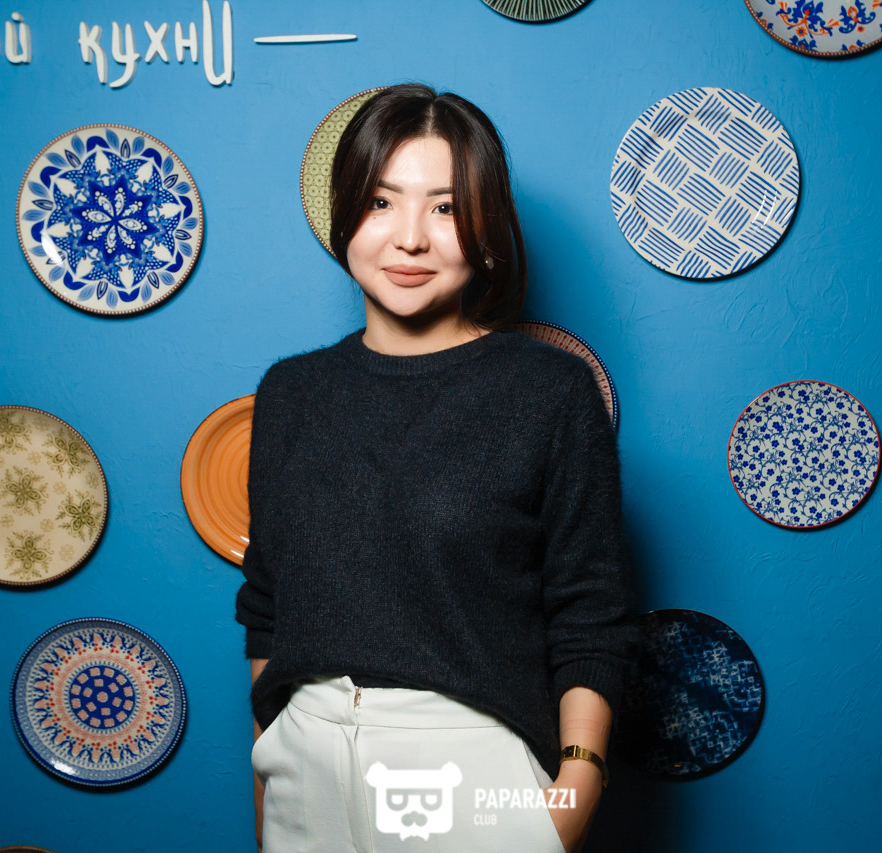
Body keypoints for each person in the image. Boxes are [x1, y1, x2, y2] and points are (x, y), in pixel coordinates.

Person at [236, 82, 640, 852]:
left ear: (486, 225)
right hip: (305, 772)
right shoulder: (291, 392)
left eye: (446, 207)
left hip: (473, 774)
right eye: (381, 202)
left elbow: (591, 614)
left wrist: (573, 792)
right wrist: (268, 787)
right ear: (345, 214)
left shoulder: (549, 390)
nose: (411, 238)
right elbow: (267, 610)